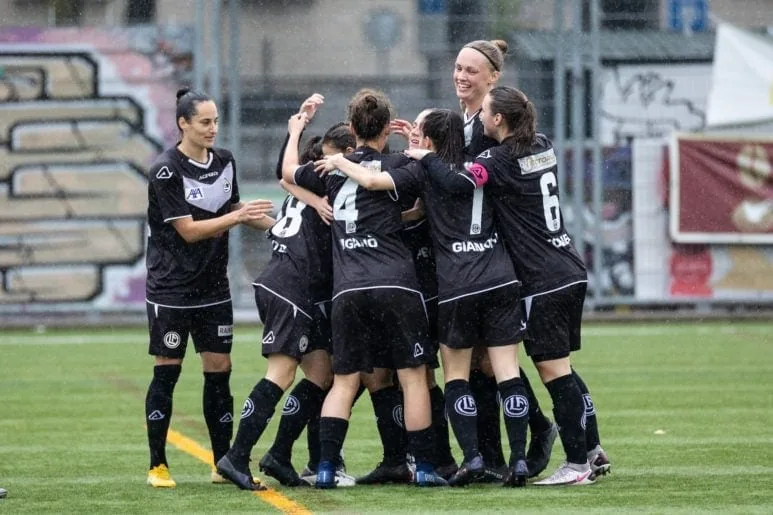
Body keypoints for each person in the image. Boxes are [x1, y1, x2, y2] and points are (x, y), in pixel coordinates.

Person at [318, 108, 531, 487]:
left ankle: (471, 458)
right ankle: (517, 461)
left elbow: (388, 190)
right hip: (499, 277)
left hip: (457, 284)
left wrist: (344, 159)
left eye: (419, 129)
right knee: (507, 372)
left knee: (452, 376)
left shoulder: (423, 170)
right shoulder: (485, 164)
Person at [287, 89, 447, 488]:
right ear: (387, 129)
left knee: (343, 381)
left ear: (352, 127)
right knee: (412, 377)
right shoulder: (401, 166)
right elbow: (423, 190)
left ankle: (325, 467)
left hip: (348, 289)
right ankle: (424, 467)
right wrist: (412, 146)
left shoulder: (330, 168)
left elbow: (289, 173)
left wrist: (296, 130)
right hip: (397, 284)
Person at [464, 85, 609, 485]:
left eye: (485, 113)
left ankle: (577, 464)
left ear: (498, 120)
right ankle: (593, 448)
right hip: (569, 266)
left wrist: (423, 158)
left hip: (542, 278)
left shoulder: (496, 159)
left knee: (553, 371)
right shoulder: (540, 144)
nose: (478, 118)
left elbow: (462, 178)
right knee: (562, 366)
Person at [217, 96, 357, 490]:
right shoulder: (339, 180)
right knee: (280, 373)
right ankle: (236, 456)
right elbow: (288, 174)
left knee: (320, 372)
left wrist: (295, 128)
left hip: (287, 285)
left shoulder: (305, 184)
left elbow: (285, 175)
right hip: (290, 287)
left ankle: (278, 454)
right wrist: (296, 130)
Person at [144, 88, 275, 488]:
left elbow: (232, 208)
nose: (212, 129)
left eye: (215, 121)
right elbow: (188, 231)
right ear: (183, 123)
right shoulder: (166, 170)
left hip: (214, 288)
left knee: (220, 372)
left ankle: (223, 463)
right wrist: (237, 219)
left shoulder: (225, 161)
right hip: (171, 289)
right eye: (204, 122)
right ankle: (158, 465)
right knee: (168, 372)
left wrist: (282, 228)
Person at [453, 38, 559, 480]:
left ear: (493, 78)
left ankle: (537, 431)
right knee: (482, 359)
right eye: (457, 67)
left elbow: (477, 184)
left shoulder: (492, 127)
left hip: (494, 254)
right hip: (473, 255)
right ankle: (497, 453)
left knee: (495, 358)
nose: (461, 76)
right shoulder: (464, 121)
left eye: (471, 71)